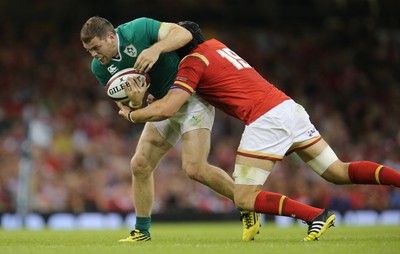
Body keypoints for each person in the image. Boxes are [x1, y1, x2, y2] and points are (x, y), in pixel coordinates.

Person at [118, 21, 400, 241]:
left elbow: (169, 108)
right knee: (338, 172)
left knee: (244, 197)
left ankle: (315, 216)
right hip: (288, 108)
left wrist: (133, 113)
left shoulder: (193, 61)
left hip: (266, 119)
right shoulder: (217, 47)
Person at [80, 17, 260, 242]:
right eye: (89, 50)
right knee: (140, 164)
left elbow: (185, 35)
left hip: (191, 98)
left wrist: (156, 49)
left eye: (96, 47)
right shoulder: (99, 67)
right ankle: (142, 231)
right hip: (161, 104)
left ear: (111, 36)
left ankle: (247, 204)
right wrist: (136, 102)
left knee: (195, 169)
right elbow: (127, 107)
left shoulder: (138, 29)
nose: (94, 54)